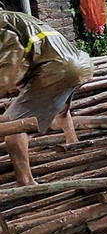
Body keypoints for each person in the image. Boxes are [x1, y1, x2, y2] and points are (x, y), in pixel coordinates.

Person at [1, 10, 95, 185]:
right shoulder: (15, 17)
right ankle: (72, 140)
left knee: (13, 125)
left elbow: (7, 71)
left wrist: (6, 86)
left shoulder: (2, 26)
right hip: (81, 63)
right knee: (58, 100)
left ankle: (26, 182)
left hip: (59, 69)